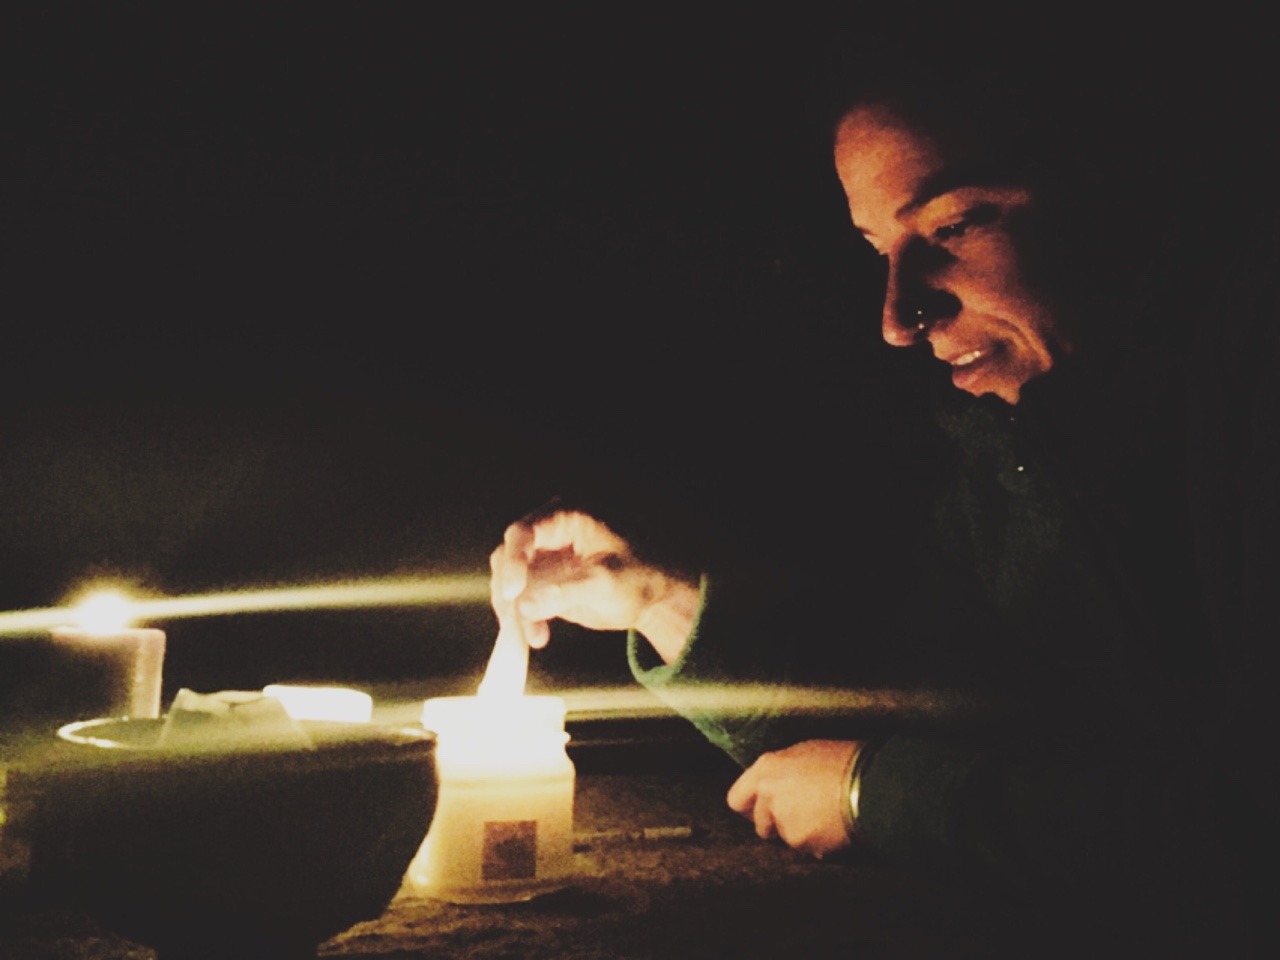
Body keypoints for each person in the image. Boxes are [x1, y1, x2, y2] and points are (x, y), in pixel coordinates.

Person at [488, 26, 1279, 957]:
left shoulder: (1241, 397)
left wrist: (874, 797)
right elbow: (920, 740)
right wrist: (657, 604)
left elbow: (1244, 844)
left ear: (1124, 186)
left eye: (954, 225)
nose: (899, 318)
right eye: (879, 250)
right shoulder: (1017, 458)